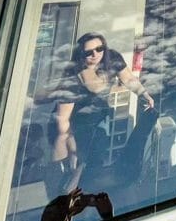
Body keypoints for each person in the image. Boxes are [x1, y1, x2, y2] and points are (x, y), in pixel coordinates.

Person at [51, 33, 154, 191]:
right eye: (89, 52)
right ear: (80, 55)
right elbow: (62, 121)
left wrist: (143, 94)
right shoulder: (71, 78)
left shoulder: (112, 58)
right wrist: (71, 149)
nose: (95, 54)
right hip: (74, 125)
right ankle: (66, 200)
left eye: (100, 49)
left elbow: (128, 79)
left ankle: (83, 196)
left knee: (93, 163)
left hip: (98, 120)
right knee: (76, 167)